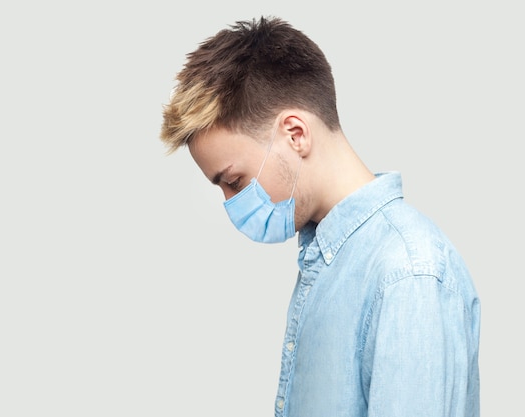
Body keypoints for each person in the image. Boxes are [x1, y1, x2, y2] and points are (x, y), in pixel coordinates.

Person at [159, 16, 480, 417]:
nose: (231, 203)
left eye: (235, 181)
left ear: (296, 133)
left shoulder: (407, 273)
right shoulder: (332, 261)